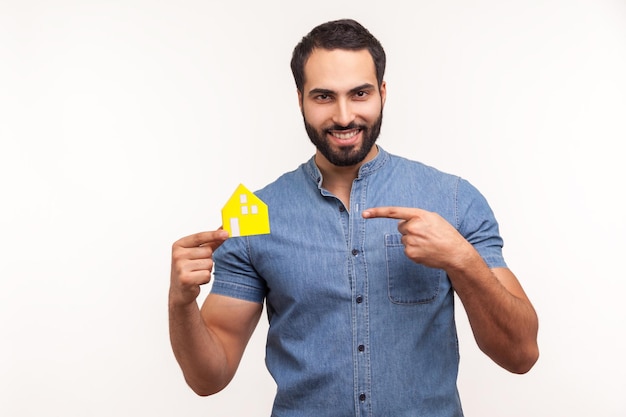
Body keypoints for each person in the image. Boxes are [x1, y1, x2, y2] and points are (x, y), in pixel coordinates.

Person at [168, 18, 539, 416]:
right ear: (300, 99)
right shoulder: (256, 216)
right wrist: (181, 302)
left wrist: (461, 258)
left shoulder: (452, 200)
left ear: (382, 93)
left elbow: (521, 355)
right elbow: (209, 378)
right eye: (324, 97)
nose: (344, 117)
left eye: (359, 93)